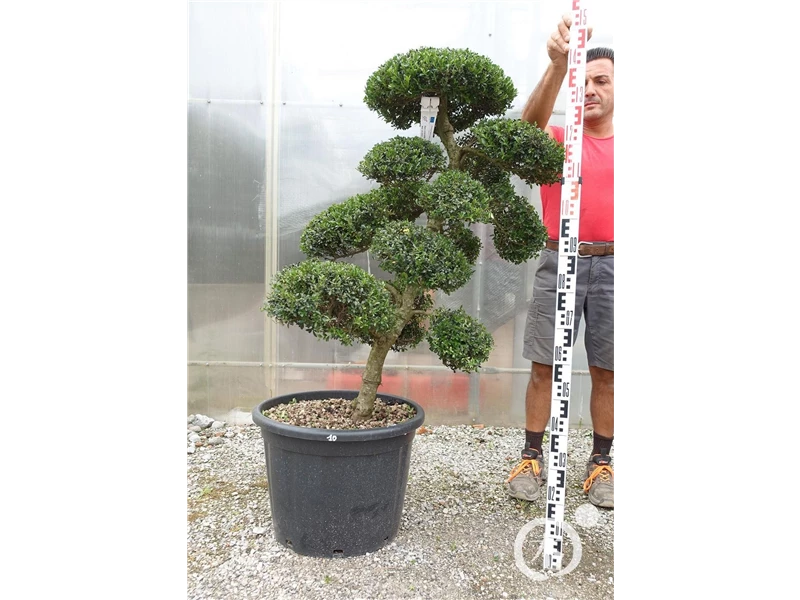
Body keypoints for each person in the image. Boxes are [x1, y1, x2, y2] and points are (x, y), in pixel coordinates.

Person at [505, 15, 615, 508]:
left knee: (607, 371)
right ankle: (532, 456)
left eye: (602, 81)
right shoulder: (556, 142)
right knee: (544, 366)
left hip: (612, 266)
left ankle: (601, 463)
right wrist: (555, 66)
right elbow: (522, 135)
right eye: (582, 81)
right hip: (559, 259)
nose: (590, 89)